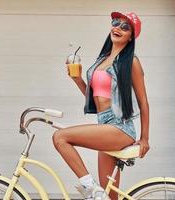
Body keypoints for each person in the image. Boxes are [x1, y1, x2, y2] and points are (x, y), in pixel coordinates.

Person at [52, 11, 149, 200]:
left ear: (131, 37)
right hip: (104, 126)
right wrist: (77, 79)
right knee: (110, 198)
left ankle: (90, 188)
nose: (118, 28)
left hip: (119, 128)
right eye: (115, 23)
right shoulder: (102, 60)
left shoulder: (131, 62)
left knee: (60, 137)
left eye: (125, 27)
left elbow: (143, 101)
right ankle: (96, 192)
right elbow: (96, 99)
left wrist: (145, 138)